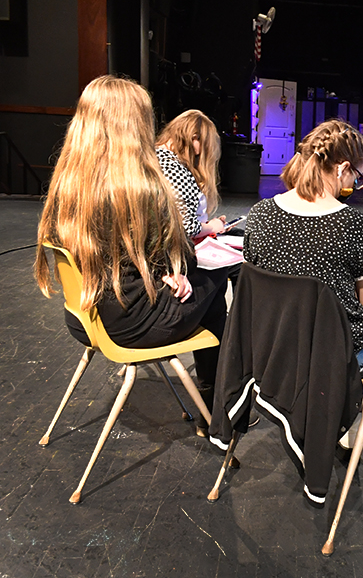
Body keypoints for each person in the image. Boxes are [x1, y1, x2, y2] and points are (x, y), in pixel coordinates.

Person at [35, 75, 228, 437]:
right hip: (132, 323)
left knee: (198, 278)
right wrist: (178, 269)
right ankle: (216, 411)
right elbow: (177, 248)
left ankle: (214, 404)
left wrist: (166, 268)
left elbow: (125, 251)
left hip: (84, 315)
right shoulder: (140, 188)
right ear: (133, 125)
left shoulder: (70, 181)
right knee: (217, 280)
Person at [243, 120, 363, 392]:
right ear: (343, 168)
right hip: (335, 357)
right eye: (356, 176)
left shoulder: (260, 213)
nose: (355, 183)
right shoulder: (355, 225)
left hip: (271, 348)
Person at [156, 109, 227, 240]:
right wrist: (212, 227)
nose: (199, 154)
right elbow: (187, 227)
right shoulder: (174, 170)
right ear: (194, 138)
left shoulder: (153, 157)